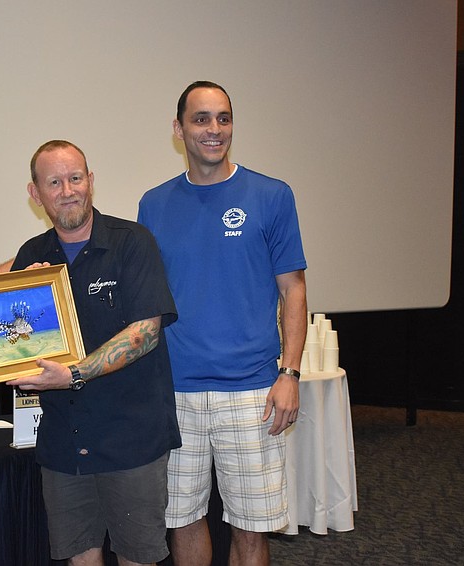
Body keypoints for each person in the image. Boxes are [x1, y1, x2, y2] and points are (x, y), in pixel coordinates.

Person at [138, 81, 309, 566]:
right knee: (183, 519)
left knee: (251, 529)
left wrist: (289, 374)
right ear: (179, 129)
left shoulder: (272, 195)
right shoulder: (153, 204)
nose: (214, 130)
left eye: (224, 118)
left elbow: (293, 289)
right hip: (175, 392)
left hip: (252, 391)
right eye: (201, 119)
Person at [6, 140, 181, 566]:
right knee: (80, 558)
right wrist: (20, 299)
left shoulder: (132, 242)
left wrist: (74, 375)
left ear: (90, 181)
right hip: (64, 444)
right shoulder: (32, 257)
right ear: (35, 194)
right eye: (54, 182)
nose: (68, 190)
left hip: (132, 442)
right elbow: (15, 344)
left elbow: (146, 333)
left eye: (76, 178)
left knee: (139, 558)